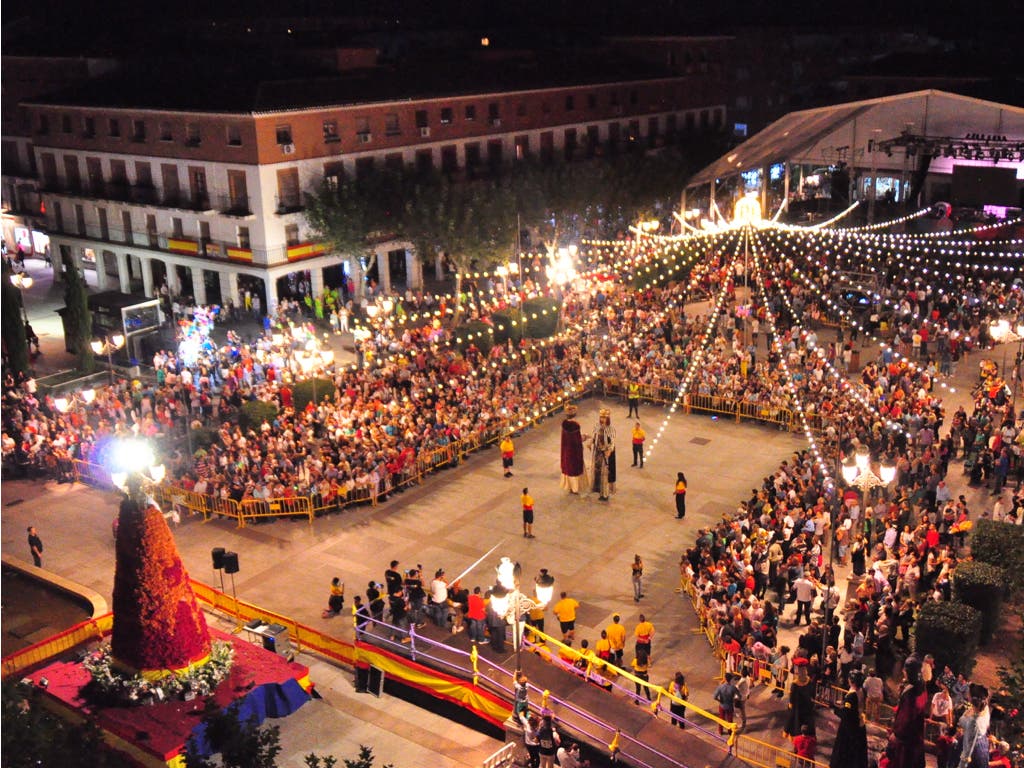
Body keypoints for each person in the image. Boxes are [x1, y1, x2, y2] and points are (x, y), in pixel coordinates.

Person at [889, 655, 929, 768]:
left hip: (905, 742)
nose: (903, 672)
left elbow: (905, 718)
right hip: (916, 736)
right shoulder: (922, 686)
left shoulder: (910, 694)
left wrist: (896, 734)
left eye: (905, 670)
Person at [830, 670, 868, 768]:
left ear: (852, 681)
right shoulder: (862, 691)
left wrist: (835, 709)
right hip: (859, 724)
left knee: (845, 752)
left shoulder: (852, 695)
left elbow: (846, 714)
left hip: (849, 728)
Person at [955, 685, 991, 768]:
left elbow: (968, 749)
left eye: (968, 693)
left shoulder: (973, 722)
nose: (967, 694)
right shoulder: (984, 707)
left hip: (973, 748)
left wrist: (962, 764)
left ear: (972, 698)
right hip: (982, 744)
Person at [785, 656, 816, 738]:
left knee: (795, 724)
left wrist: (790, 705)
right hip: (807, 706)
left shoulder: (795, 684)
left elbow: (792, 697)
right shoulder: (808, 680)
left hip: (797, 708)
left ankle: (797, 742)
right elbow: (812, 692)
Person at [589, 408, 616, 501]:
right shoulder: (597, 426)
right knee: (597, 473)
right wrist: (590, 443)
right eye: (601, 417)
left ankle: (605, 494)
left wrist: (609, 451)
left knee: (605, 475)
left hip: (605, 454)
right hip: (597, 453)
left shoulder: (611, 429)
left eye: (604, 417)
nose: (602, 419)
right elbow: (594, 437)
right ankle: (598, 490)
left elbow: (612, 442)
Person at [560, 405, 585, 494]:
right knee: (574, 469)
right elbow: (577, 440)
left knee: (568, 468)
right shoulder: (575, 426)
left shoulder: (564, 424)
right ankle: (575, 488)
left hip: (566, 450)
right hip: (574, 451)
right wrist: (584, 437)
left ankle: (569, 487)